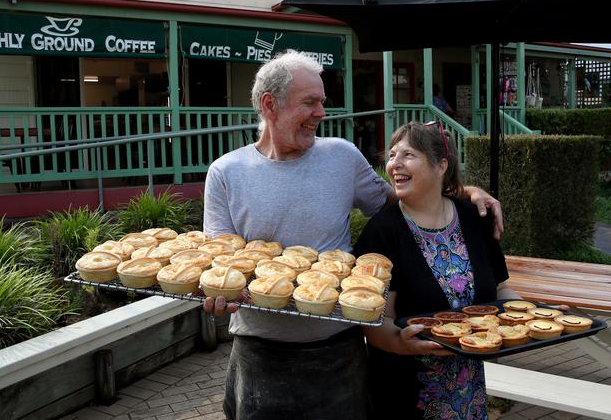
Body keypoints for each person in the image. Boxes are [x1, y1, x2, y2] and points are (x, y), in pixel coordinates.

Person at [202, 51, 503, 420]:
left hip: (339, 350)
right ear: (270, 105)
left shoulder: (341, 157)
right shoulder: (225, 173)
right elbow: (219, 262)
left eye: (323, 103)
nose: (322, 113)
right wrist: (217, 295)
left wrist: (466, 192)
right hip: (259, 350)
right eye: (310, 102)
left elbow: (404, 200)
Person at [353, 120, 519, 419]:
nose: (394, 164)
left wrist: (532, 315)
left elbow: (501, 289)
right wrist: (403, 345)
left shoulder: (474, 217)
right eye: (392, 155)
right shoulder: (382, 232)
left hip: (467, 392)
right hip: (404, 393)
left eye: (407, 155)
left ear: (440, 166)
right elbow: (375, 322)